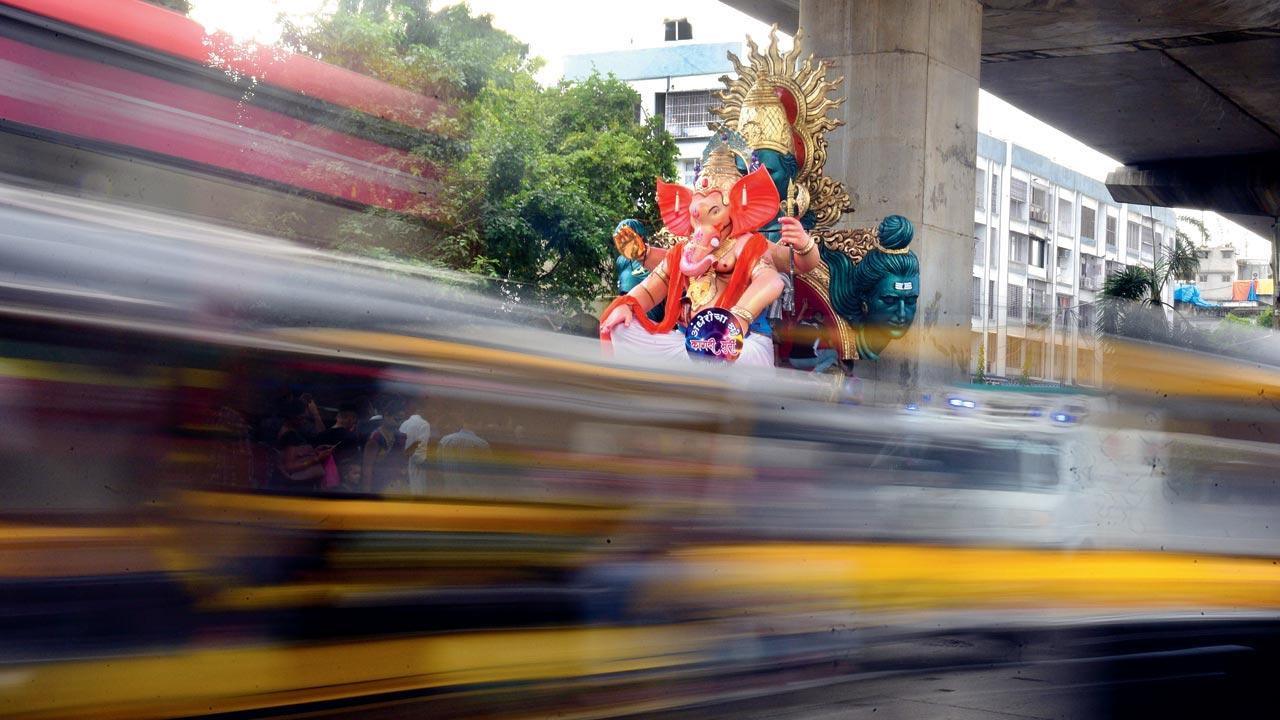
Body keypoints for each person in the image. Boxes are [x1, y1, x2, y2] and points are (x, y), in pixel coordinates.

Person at [600, 132, 797, 367]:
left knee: (738, 358)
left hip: (741, 343)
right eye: (697, 214)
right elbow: (650, 290)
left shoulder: (747, 244)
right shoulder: (684, 250)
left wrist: (737, 321)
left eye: (714, 212)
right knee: (621, 329)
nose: (703, 225)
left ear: (736, 210)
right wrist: (627, 305)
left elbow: (771, 281)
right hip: (691, 342)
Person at [437, 415, 491, 495]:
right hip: (473, 492)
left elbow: (439, 467)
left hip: (450, 490)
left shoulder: (444, 440)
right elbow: (487, 470)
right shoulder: (482, 444)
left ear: (464, 422)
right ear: (479, 423)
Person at [361, 403, 405, 494]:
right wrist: (367, 493)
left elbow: (400, 461)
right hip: (377, 486)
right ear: (386, 415)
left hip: (395, 486)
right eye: (397, 419)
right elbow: (367, 468)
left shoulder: (399, 436)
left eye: (402, 420)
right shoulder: (376, 438)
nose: (399, 423)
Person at [399, 399, 432, 496]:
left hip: (403, 468)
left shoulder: (404, 424)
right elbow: (419, 455)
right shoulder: (425, 425)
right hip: (416, 470)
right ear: (423, 409)